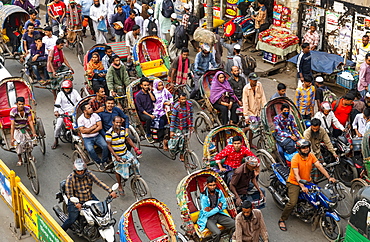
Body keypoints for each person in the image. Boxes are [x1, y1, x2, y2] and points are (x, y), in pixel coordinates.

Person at [278, 139, 336, 231]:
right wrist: (302, 186)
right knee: (292, 203)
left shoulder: (311, 156)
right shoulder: (295, 159)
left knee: (318, 195)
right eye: (303, 148)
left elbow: (319, 166)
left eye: (307, 147)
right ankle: (282, 219)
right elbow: (296, 175)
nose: (306, 149)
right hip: (295, 183)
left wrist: (329, 177)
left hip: (307, 181)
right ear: (299, 149)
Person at [61, 159, 118, 231]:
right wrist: (76, 203)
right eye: (78, 171)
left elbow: (99, 183)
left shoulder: (89, 174)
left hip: (89, 197)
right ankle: (60, 232)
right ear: (75, 171)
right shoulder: (70, 178)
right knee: (71, 219)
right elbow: (69, 194)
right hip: (76, 201)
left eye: (82, 170)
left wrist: (110, 191)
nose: (80, 172)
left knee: (101, 212)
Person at [106, 116, 141, 195]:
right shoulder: (109, 133)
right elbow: (109, 145)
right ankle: (120, 186)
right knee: (118, 170)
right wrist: (116, 156)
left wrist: (135, 148)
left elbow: (128, 140)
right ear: (113, 122)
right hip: (117, 154)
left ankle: (136, 177)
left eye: (120, 122)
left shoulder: (123, 130)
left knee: (136, 163)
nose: (118, 124)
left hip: (125, 152)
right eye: (116, 122)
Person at [197, 176, 235, 242]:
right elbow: (206, 214)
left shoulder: (219, 192)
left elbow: (224, 204)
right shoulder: (204, 197)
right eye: (210, 185)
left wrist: (212, 209)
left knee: (235, 224)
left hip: (219, 214)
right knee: (217, 233)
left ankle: (231, 239)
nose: (212, 187)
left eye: (214, 185)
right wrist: (218, 208)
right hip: (208, 219)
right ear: (207, 185)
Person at [77, 102, 109, 170]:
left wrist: (89, 131)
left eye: (91, 107)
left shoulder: (95, 115)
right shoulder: (80, 119)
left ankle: (104, 161)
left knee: (105, 146)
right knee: (90, 150)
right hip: (87, 138)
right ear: (85, 111)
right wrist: (93, 127)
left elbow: (100, 127)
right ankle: (98, 162)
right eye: (89, 108)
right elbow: (82, 131)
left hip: (97, 135)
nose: (91, 109)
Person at [53, 80, 81, 149]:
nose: (67, 90)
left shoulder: (75, 92)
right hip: (63, 113)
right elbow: (57, 102)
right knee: (58, 127)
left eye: (68, 88)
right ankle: (56, 140)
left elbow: (80, 100)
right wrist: (56, 111)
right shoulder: (60, 94)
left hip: (73, 112)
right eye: (65, 88)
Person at [10, 97, 37, 166]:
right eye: (19, 104)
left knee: (30, 142)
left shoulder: (27, 110)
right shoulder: (13, 112)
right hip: (17, 129)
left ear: (24, 104)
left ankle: (30, 155)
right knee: (18, 144)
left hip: (25, 128)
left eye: (22, 104)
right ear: (16, 104)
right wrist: (12, 138)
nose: (21, 106)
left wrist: (34, 133)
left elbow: (30, 121)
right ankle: (20, 159)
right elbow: (12, 125)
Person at [242, 72, 266, 148]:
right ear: (249, 80)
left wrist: (265, 108)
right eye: (253, 80)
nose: (255, 82)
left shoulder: (259, 85)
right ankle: (246, 131)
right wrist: (246, 116)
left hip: (258, 110)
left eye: (256, 80)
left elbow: (263, 97)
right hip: (250, 111)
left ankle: (250, 140)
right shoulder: (246, 88)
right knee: (253, 126)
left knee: (260, 125)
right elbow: (245, 102)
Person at [169, 93, 193, 161]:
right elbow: (173, 120)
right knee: (176, 143)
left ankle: (182, 155)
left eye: (185, 99)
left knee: (184, 142)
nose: (183, 101)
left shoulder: (190, 104)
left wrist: (191, 126)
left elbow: (191, 116)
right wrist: (171, 131)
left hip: (186, 126)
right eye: (182, 99)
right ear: (179, 99)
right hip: (178, 127)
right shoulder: (176, 107)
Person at [136, 77, 156, 142]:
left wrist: (150, 92)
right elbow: (140, 109)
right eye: (145, 85)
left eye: (147, 85)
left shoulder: (150, 92)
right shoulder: (138, 96)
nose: (146, 87)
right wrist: (150, 116)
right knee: (148, 118)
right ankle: (148, 134)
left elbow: (154, 100)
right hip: (143, 113)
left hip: (151, 111)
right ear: (141, 85)